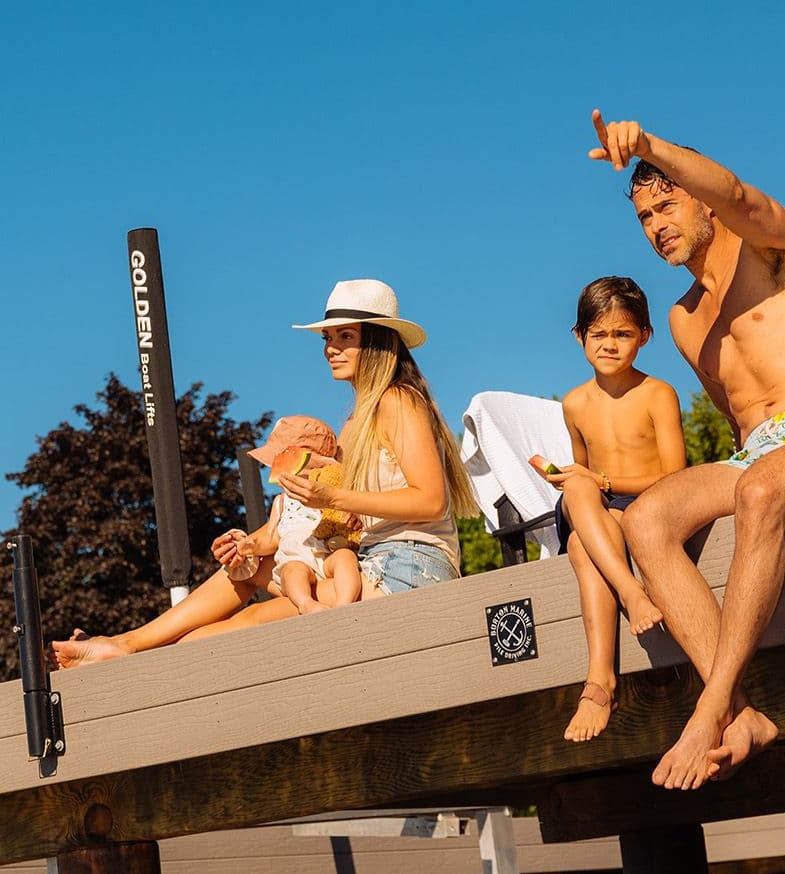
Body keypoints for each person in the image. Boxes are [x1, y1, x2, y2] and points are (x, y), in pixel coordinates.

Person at [587, 110, 785, 789]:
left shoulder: (773, 248)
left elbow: (737, 192)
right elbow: (736, 425)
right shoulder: (680, 317)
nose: (656, 225)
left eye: (665, 204)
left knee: (760, 491)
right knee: (646, 518)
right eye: (643, 217)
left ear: (698, 199)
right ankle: (742, 714)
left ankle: (709, 710)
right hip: (756, 452)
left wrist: (648, 147)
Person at [53, 279, 475, 667]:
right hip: (362, 561)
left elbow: (430, 500)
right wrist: (254, 542)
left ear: (380, 342)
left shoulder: (397, 401)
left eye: (346, 337)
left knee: (253, 621)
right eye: (328, 338)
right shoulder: (354, 421)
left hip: (410, 567)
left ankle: (126, 654)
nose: (330, 347)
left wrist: (330, 498)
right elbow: (338, 521)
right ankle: (124, 644)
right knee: (245, 567)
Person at [545, 276, 685, 743]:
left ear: (644, 336)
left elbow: (675, 475)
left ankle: (600, 681)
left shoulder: (657, 394)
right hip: (600, 507)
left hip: (644, 502)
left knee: (584, 547)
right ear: (579, 336)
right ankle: (632, 592)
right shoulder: (574, 402)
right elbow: (584, 475)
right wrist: (573, 478)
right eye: (598, 334)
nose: (609, 344)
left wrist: (599, 482)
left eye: (622, 334)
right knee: (576, 494)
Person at [241, 416, 364, 614]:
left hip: (329, 553)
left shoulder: (332, 490)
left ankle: (346, 604)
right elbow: (272, 537)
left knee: (345, 558)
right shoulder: (281, 502)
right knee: (292, 573)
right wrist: (251, 546)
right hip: (296, 556)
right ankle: (306, 603)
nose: (275, 467)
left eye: (280, 459)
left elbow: (351, 511)